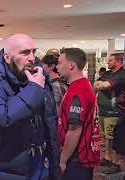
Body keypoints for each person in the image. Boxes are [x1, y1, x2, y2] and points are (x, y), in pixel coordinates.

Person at [0, 34, 60, 180]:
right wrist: (34, 89)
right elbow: (3, 118)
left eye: (33, 51)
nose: (32, 58)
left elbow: (49, 122)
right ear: (7, 57)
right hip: (6, 167)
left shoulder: (39, 78)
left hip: (40, 162)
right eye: (24, 53)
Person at [56, 48, 100, 179]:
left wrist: (62, 160)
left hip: (77, 158)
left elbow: (74, 130)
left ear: (71, 65)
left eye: (59, 63)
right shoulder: (81, 85)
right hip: (80, 155)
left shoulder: (78, 90)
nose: (57, 66)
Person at [94, 52, 125, 174]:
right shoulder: (107, 73)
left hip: (115, 111)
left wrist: (102, 85)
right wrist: (100, 84)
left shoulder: (122, 74)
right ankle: (107, 158)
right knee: (105, 137)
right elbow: (96, 84)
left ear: (118, 61)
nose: (108, 62)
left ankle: (115, 163)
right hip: (103, 111)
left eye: (110, 60)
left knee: (112, 138)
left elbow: (104, 85)